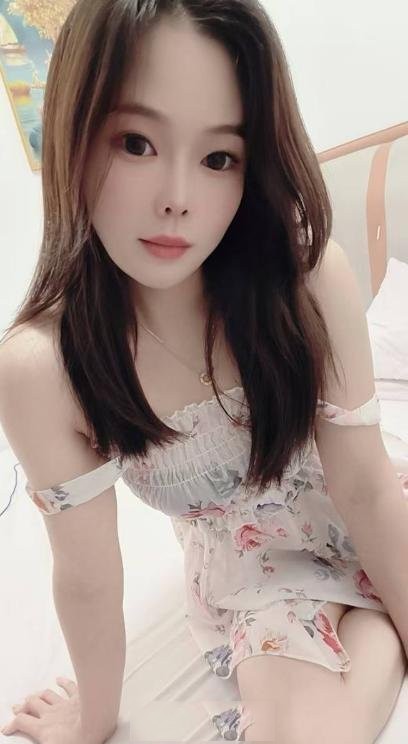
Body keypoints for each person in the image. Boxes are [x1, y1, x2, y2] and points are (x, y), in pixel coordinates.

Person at [0, 0, 407, 742]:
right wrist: (93, 724)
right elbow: (88, 576)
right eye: (135, 143)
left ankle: (376, 617)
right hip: (257, 575)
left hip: (372, 515)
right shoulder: (46, 368)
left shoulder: (306, 279)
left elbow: (366, 488)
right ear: (72, 134)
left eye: (219, 158)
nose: (177, 201)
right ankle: (374, 627)